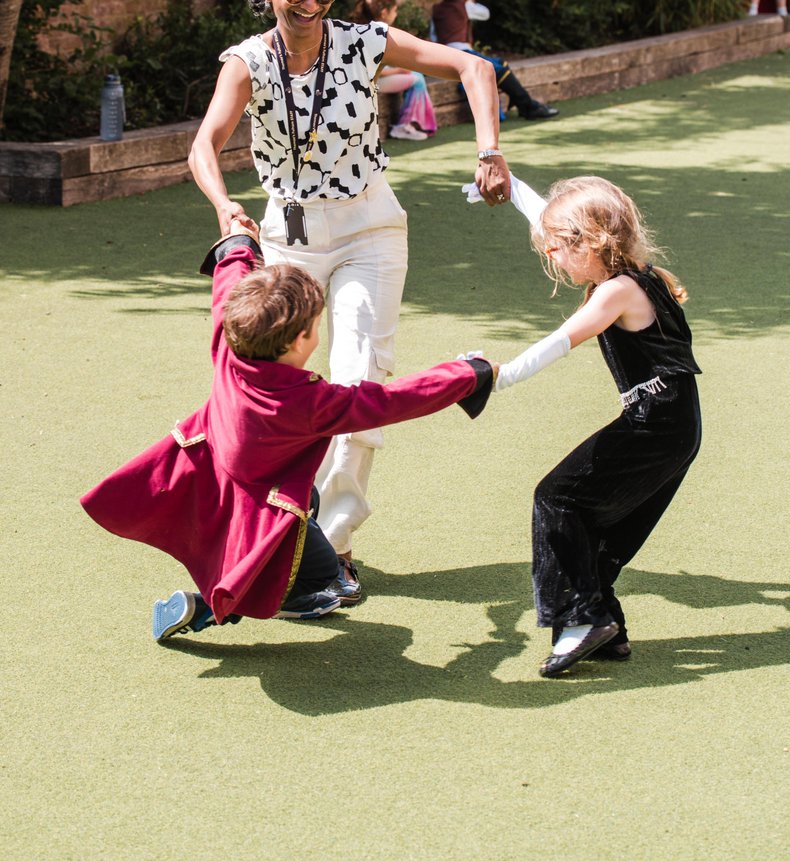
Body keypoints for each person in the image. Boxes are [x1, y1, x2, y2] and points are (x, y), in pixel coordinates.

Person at [187, 0, 510, 606]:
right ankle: (270, 522)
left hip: (369, 225)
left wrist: (488, 151)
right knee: (274, 390)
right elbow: (203, 147)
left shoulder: (365, 42)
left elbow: (473, 68)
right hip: (287, 232)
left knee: (358, 377)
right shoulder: (246, 61)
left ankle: (333, 542)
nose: (311, 5)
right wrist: (223, 206)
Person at [80, 224, 496, 639]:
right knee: (320, 575)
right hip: (258, 511)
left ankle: (259, 589)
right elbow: (391, 400)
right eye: (317, 324)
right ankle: (206, 607)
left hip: (207, 475)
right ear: (299, 341)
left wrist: (239, 245)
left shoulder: (230, 343)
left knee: (308, 498)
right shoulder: (307, 403)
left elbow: (228, 285)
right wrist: (467, 375)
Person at [465, 173, 702, 678]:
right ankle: (605, 627)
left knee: (558, 497)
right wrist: (511, 186)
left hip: (655, 422)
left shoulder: (615, 292)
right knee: (595, 523)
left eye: (557, 247)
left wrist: (494, 378)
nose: (551, 256)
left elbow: (559, 342)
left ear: (589, 243)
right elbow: (546, 216)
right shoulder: (642, 272)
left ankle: (582, 618)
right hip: (676, 423)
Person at [431, 0, 559, 121]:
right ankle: (528, 107)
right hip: (462, 53)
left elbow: (433, 36)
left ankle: (523, 104)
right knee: (499, 67)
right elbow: (485, 13)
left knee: (499, 64)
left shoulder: (436, 10)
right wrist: (469, 0)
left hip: (444, 54)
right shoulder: (465, 6)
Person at [350, 0, 437, 142]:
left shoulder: (363, 30)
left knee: (416, 75)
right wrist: (398, 71)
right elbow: (372, 70)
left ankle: (411, 123)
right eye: (395, 10)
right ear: (384, 13)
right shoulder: (374, 33)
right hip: (368, 84)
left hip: (377, 80)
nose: (396, 14)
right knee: (417, 79)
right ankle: (405, 126)